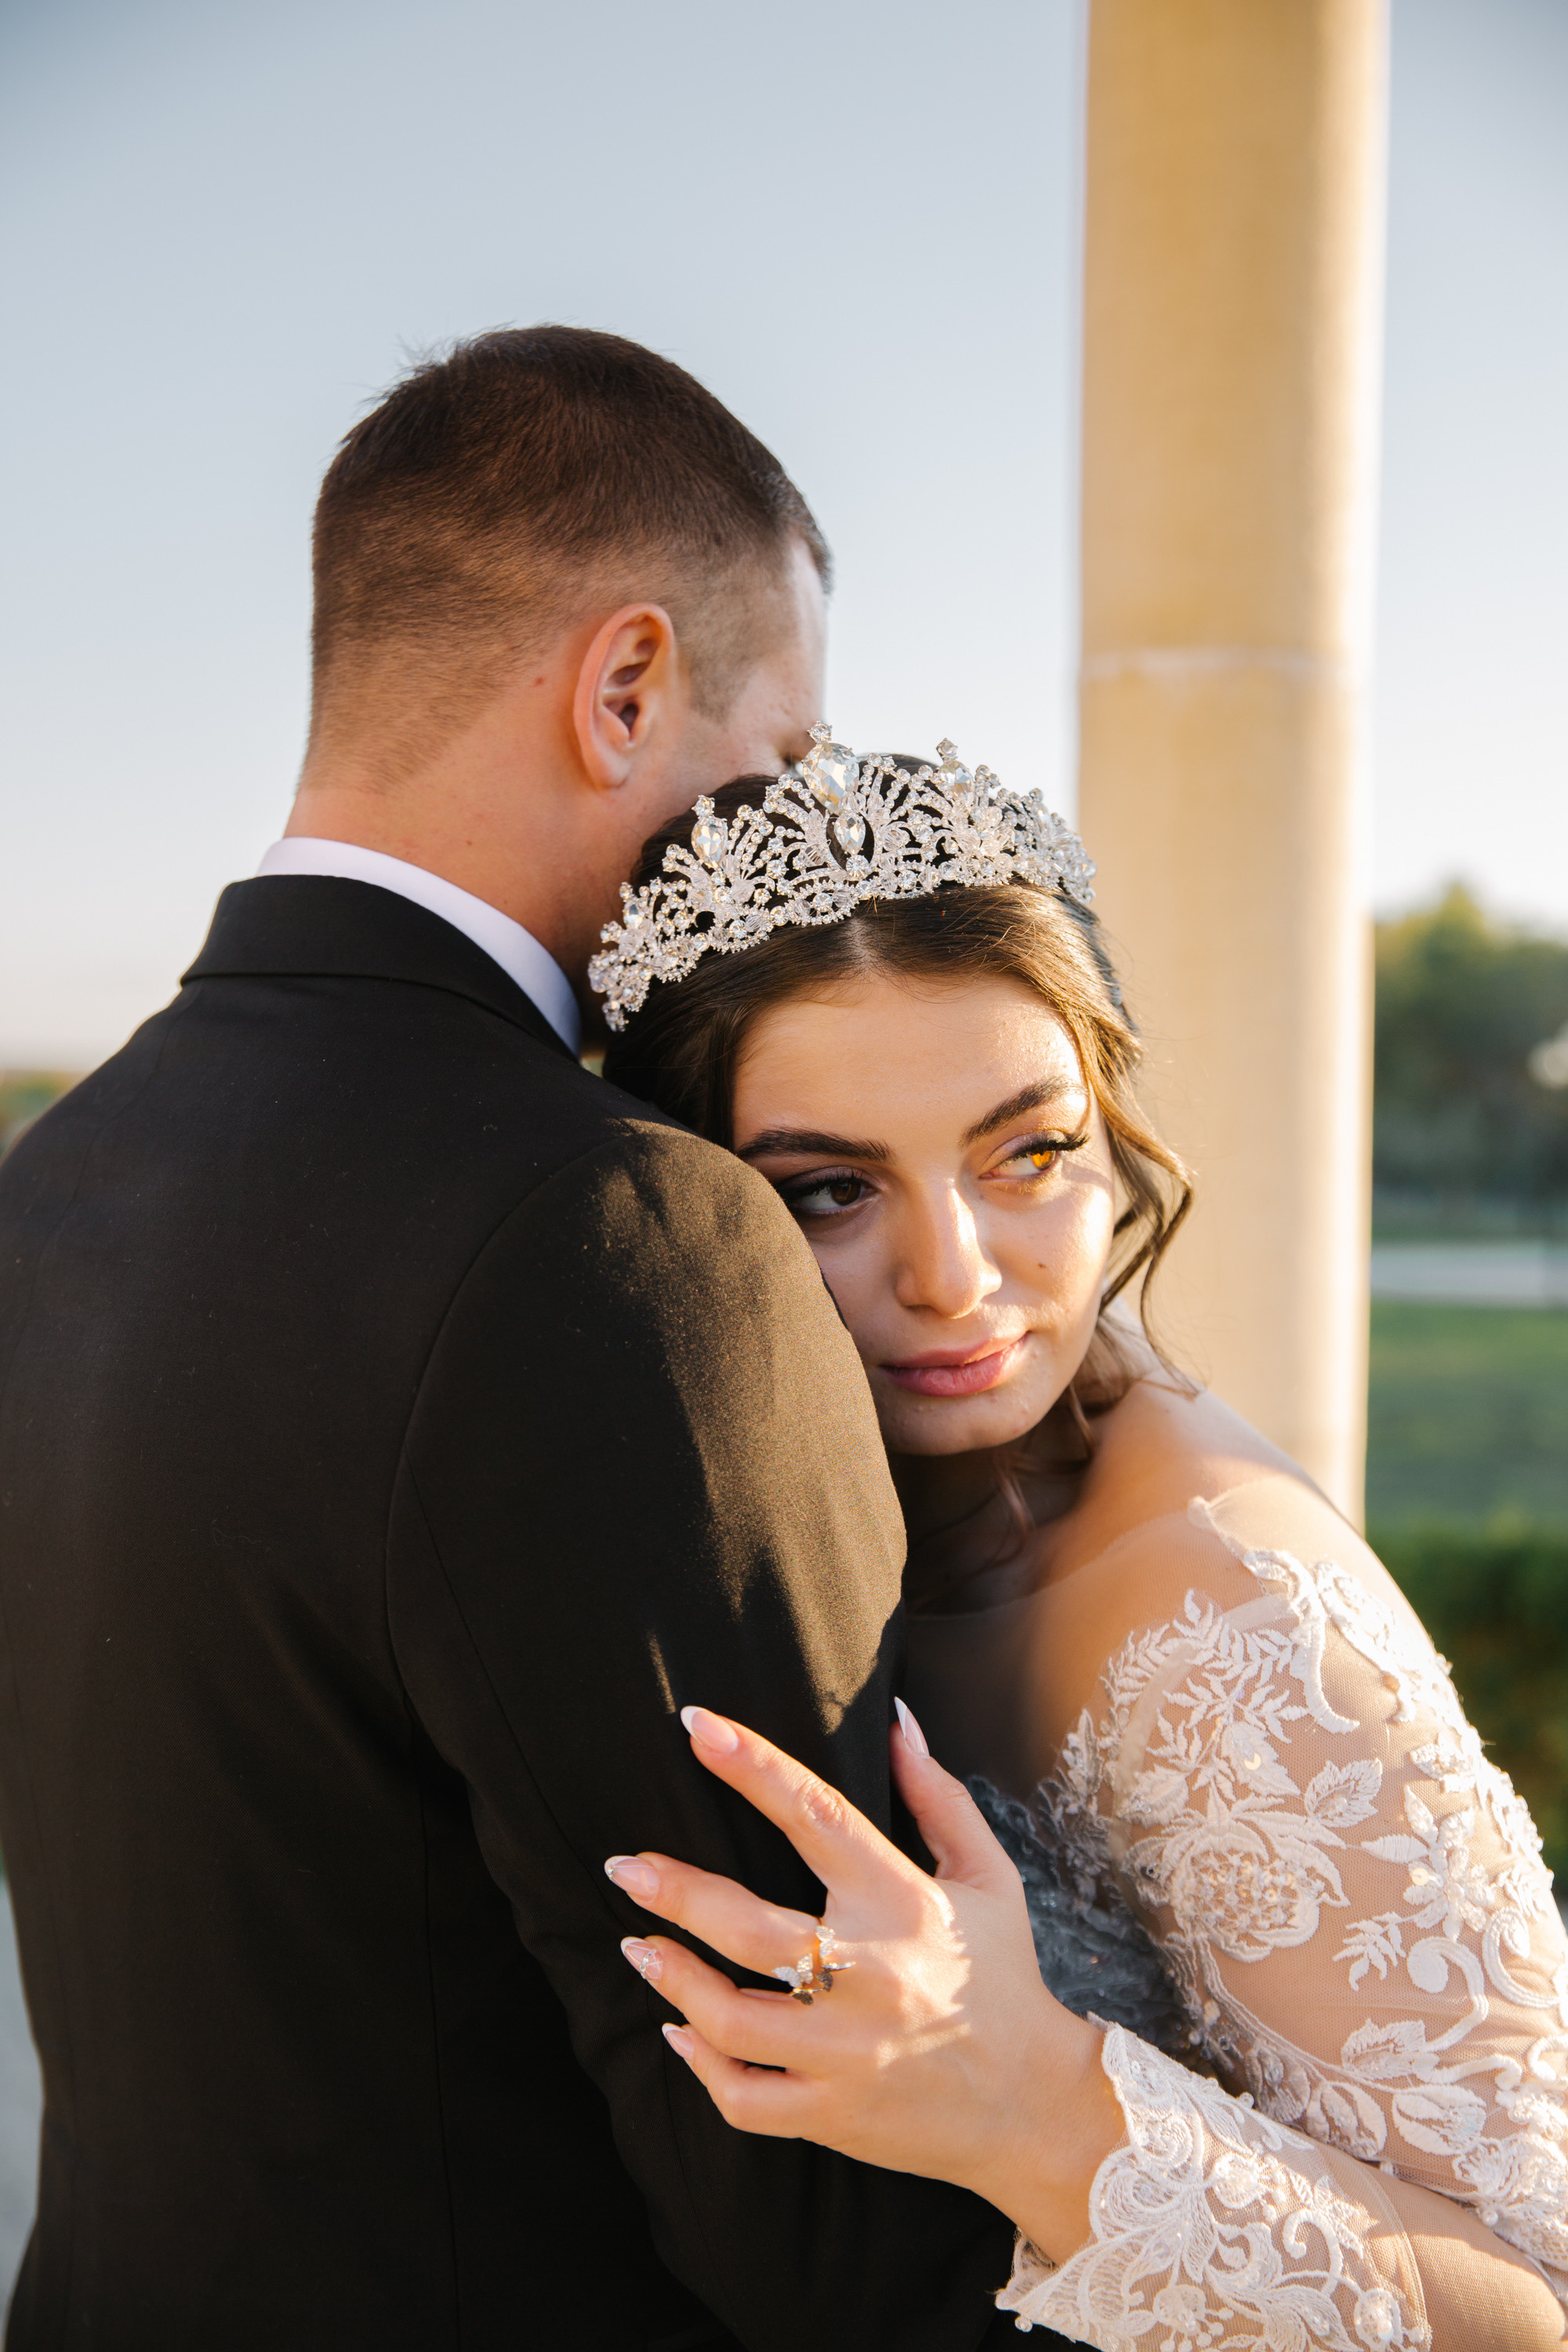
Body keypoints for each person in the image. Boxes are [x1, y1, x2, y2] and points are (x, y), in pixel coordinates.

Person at [0, 339, 1025, 2350]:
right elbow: (817, 2194)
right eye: (777, 761)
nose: (773, 844)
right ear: (622, 685)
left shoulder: (58, 1181)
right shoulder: (614, 1225)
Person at [594, 730, 1568, 2350]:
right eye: (832, 1191)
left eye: (1026, 1151)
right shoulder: (816, 1502)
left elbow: (1534, 2307)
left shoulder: (1223, 1607)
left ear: (1110, 1139)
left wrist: (1030, 2106)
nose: (955, 1275)